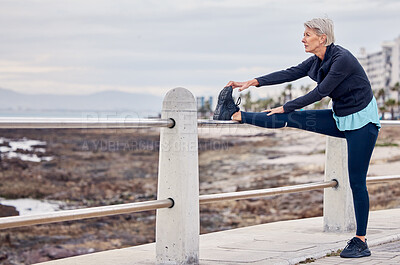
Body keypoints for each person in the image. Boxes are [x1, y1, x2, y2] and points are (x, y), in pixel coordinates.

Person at [213, 18, 380, 259]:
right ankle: (235, 115)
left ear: (322, 38)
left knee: (356, 180)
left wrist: (286, 105)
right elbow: (289, 73)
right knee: (290, 117)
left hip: (363, 123)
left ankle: (361, 241)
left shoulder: (342, 59)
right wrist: (253, 81)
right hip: (340, 117)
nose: (302, 39)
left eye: (307, 35)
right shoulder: (316, 61)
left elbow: (321, 92)